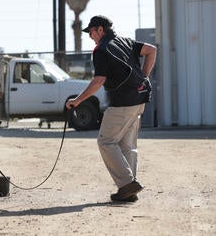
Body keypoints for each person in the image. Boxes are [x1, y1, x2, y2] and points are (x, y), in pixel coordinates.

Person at [66, 15, 157, 202]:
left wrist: (78, 100)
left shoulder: (101, 49)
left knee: (106, 142)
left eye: (91, 31)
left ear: (100, 29)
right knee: (127, 145)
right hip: (139, 99)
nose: (90, 36)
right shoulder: (124, 41)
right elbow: (151, 50)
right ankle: (129, 189)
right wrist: (143, 77)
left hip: (122, 103)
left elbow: (98, 81)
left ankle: (126, 184)